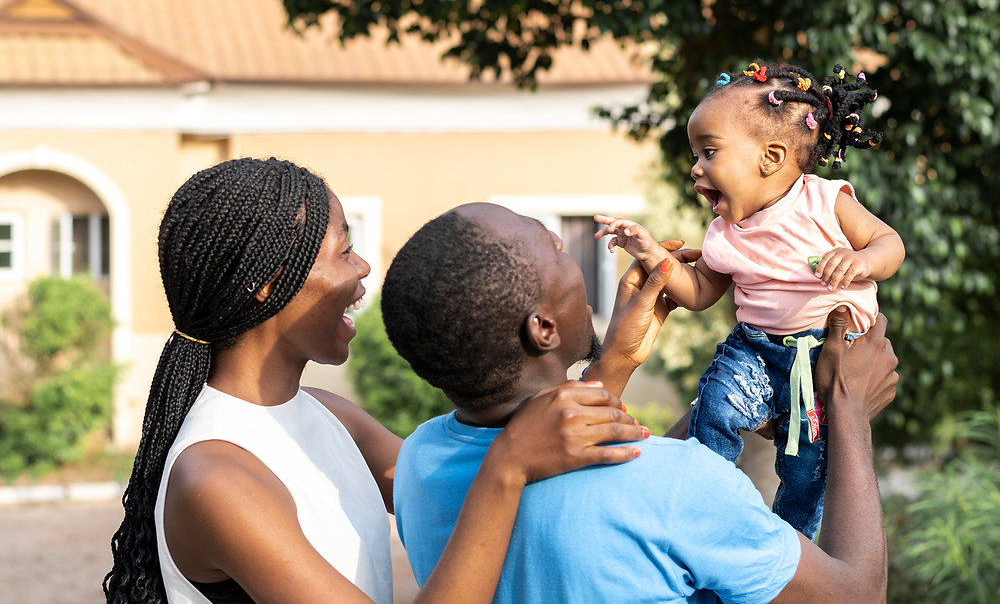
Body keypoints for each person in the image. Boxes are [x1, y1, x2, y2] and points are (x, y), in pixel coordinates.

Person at [102, 157, 651, 604]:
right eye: (343, 250)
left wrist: (618, 360)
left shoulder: (327, 415)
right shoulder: (216, 477)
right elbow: (502, 479)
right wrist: (508, 463)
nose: (363, 267)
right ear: (268, 284)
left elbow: (501, 493)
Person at [384, 201, 898, 603]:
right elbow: (853, 595)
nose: (569, 250)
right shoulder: (679, 485)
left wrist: (619, 365)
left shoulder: (419, 462)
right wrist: (847, 411)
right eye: (558, 250)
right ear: (543, 328)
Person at [595, 62, 905, 538]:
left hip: (825, 358)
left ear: (771, 156)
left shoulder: (825, 202)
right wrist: (652, 253)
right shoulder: (724, 233)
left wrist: (861, 261)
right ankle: (705, 505)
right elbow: (697, 291)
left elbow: (890, 245)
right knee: (714, 407)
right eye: (696, 153)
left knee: (807, 473)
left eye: (709, 151)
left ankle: (793, 546)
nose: (696, 167)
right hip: (755, 351)